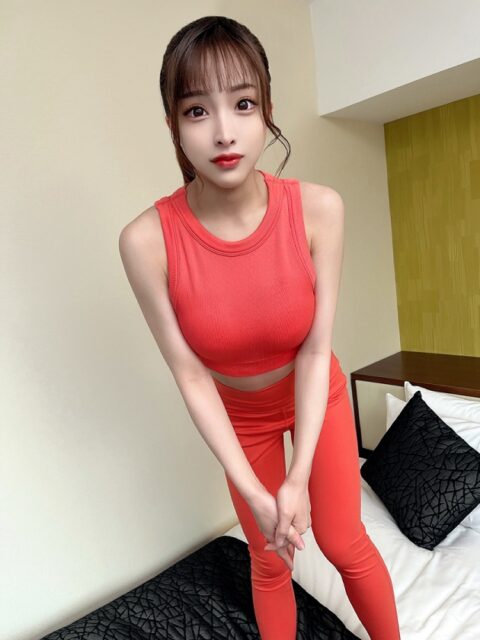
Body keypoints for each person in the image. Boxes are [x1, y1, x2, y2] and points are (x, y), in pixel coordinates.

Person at [119, 15, 401, 640]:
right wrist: (255, 491)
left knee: (342, 541)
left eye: (243, 104)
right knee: (270, 559)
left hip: (315, 392)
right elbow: (191, 375)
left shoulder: (320, 210)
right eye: (197, 111)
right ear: (173, 125)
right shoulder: (146, 241)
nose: (224, 132)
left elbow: (316, 350)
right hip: (239, 418)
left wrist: (298, 479)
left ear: (267, 110)